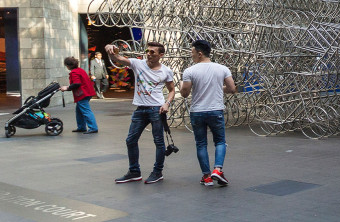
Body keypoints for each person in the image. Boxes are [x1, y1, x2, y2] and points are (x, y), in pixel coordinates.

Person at [106, 41, 176, 184]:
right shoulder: (138, 64)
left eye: (152, 52)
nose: (148, 54)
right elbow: (118, 59)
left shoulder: (166, 71)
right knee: (130, 140)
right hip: (140, 109)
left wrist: (167, 103)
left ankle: (157, 172)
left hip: (157, 109)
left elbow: (172, 90)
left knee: (159, 142)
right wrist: (110, 49)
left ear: (161, 55)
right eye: (147, 51)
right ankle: (134, 172)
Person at [179, 39, 236, 187]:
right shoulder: (222, 68)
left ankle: (207, 176)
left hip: (197, 111)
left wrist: (181, 87)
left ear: (199, 53)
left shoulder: (190, 71)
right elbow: (231, 88)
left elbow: (184, 93)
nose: (191, 56)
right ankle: (217, 169)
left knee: (201, 144)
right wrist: (218, 88)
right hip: (215, 110)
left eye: (192, 53)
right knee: (220, 141)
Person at [60, 56, 98, 133]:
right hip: (87, 92)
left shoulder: (74, 72)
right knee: (79, 111)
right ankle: (81, 127)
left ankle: (93, 127)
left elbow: (77, 83)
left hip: (82, 94)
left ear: (68, 66)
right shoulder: (80, 70)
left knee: (86, 111)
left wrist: (67, 88)